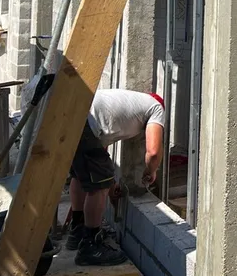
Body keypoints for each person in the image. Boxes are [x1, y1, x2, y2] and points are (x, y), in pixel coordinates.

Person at [65, 89, 164, 265]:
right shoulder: (156, 108)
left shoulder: (123, 105)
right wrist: (151, 170)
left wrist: (110, 186)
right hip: (88, 124)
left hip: (75, 112)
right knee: (97, 188)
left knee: (80, 176)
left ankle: (77, 231)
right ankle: (90, 246)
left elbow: (97, 164)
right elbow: (154, 152)